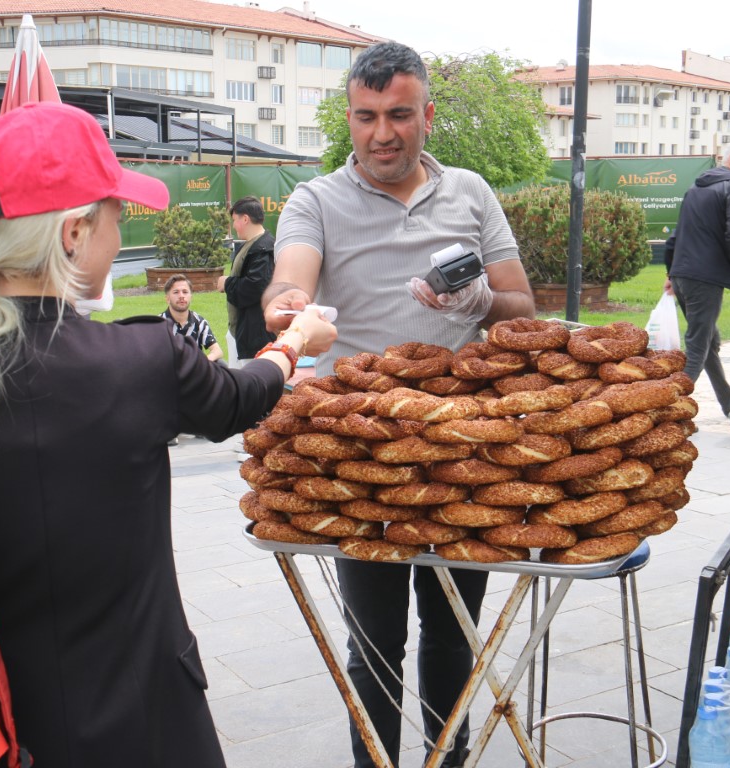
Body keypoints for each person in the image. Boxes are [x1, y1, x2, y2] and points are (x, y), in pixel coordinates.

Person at [0, 101, 335, 767]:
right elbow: (238, 398)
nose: (119, 241)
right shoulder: (146, 360)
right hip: (148, 727)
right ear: (73, 233)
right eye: (116, 221)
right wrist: (293, 344)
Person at [263, 41, 535, 768]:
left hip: (461, 451)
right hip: (363, 456)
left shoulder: (472, 193)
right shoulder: (315, 200)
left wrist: (479, 299)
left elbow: (522, 308)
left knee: (454, 634)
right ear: (348, 119)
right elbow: (291, 277)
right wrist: (287, 301)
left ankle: (449, 759)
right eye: (367, 116)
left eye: (400, 115)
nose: (383, 132)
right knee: (374, 642)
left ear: (428, 116)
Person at [664, 140, 730, 417]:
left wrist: (672, 273)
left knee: (709, 341)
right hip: (704, 279)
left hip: (684, 276)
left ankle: (728, 399)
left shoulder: (696, 189)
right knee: (698, 347)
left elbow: (676, 235)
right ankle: (664, 410)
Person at [217, 196, 277, 366]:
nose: (233, 225)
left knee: (251, 388)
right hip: (242, 332)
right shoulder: (253, 245)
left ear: (245, 219)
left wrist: (227, 283)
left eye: (235, 220)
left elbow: (256, 287)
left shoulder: (264, 249)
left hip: (256, 337)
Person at [160, 273, 224, 362]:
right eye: (176, 292)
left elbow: (217, 351)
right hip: (169, 372)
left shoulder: (199, 322)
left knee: (221, 363)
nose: (181, 296)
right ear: (167, 298)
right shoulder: (159, 324)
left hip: (195, 371)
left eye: (185, 292)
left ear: (190, 297)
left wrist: (204, 362)